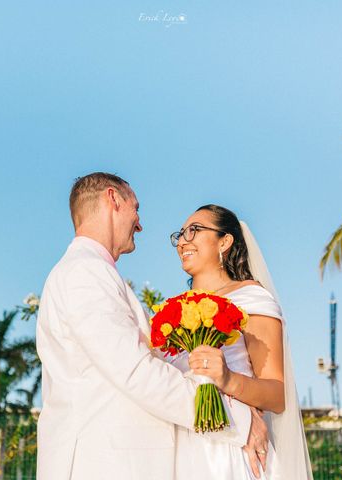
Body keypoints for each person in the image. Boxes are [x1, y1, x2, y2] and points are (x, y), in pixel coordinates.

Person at [35, 174, 266, 480]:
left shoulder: (92, 272)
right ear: (112, 199)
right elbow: (136, 372)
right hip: (102, 464)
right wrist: (238, 422)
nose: (140, 223)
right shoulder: (84, 273)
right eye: (136, 208)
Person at [169, 204, 313, 479]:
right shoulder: (173, 314)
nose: (182, 241)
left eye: (194, 231)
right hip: (181, 450)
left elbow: (277, 395)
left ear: (225, 241)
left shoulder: (251, 299)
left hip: (229, 453)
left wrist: (227, 379)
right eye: (180, 234)